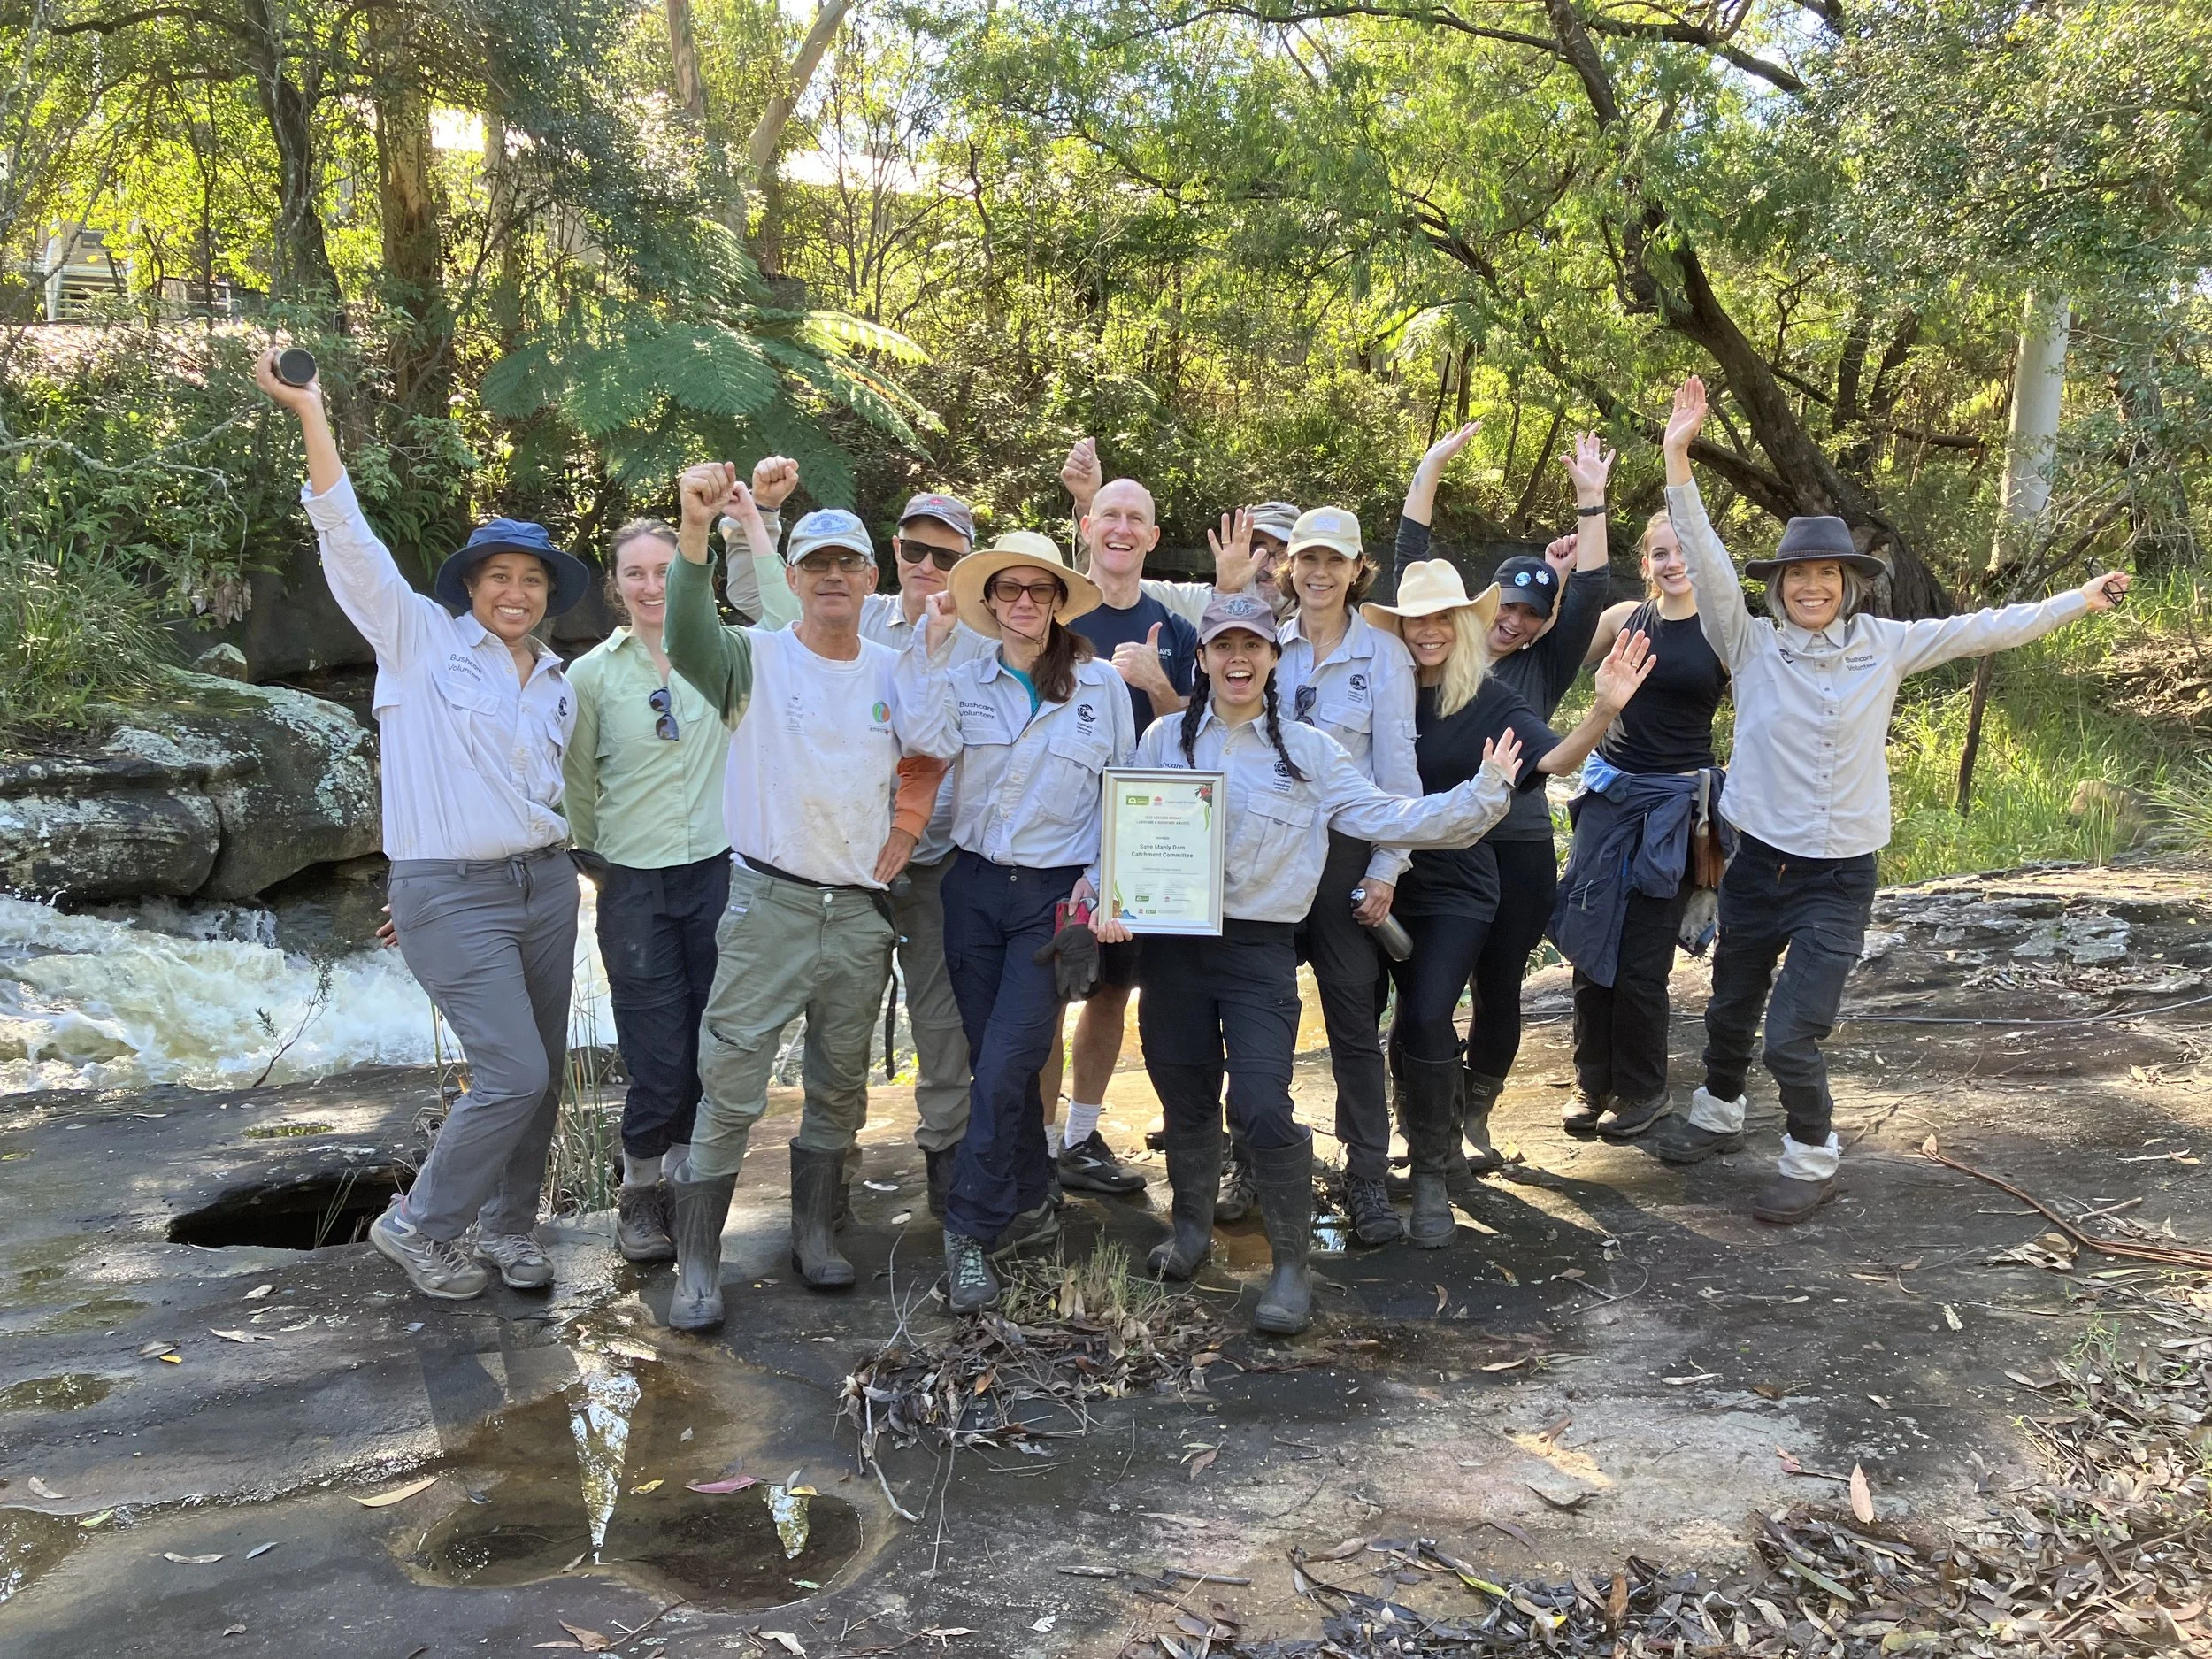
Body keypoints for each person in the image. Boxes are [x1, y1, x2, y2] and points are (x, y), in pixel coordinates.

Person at [1645, 375, 2131, 1222]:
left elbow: (1986, 628)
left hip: (1839, 877)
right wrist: (1677, 455)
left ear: (1849, 582)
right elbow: (1708, 557)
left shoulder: (1886, 644)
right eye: (1799, 575)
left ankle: (1811, 1155)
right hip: (1758, 863)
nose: (1812, 587)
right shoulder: (1748, 641)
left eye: (1827, 575)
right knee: (1729, 1004)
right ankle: (1717, 1112)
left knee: (1792, 1031)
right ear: (1779, 584)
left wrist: (2078, 601)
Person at [1095, 591, 1526, 1336]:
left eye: (1252, 646)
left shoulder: (1312, 752)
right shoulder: (1163, 740)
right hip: (1173, 952)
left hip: (1258, 951)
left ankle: (1292, 1264)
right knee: (1184, 1094)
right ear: (1202, 659)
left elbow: (1392, 815)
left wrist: (1482, 795)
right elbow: (1123, 833)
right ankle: (1191, 1231)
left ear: (1274, 658)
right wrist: (1107, 893)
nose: (1237, 659)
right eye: (1223, 646)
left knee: (1264, 1102)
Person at [257, 349, 590, 1302]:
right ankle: (418, 1224)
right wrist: (311, 412)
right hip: (452, 890)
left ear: (548, 594)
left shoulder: (556, 681)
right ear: (470, 586)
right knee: (512, 1071)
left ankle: (509, 1230)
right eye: (498, 576)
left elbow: (533, 798)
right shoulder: (417, 641)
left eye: (532, 579)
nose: (515, 592)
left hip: (544, 885)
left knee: (542, 1072)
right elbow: (349, 537)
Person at [661, 465, 944, 1324]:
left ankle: (815, 1233)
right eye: (816, 563)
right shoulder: (753, 658)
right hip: (768, 905)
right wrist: (695, 530)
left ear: (870, 577)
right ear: (791, 576)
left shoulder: (895, 669)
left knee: (838, 1085)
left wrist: (904, 835)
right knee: (731, 1081)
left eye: (847, 563)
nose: (831, 576)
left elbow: (926, 756)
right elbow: (684, 636)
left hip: (859, 913)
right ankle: (697, 1265)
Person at [1365, 562, 1654, 1241]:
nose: (1429, 631)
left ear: (1463, 624)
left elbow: (1554, 760)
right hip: (1384, 878)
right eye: (1416, 620)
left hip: (1458, 883)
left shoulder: (1488, 696)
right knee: (1397, 1017)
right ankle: (1413, 1146)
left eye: (1444, 618)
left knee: (1429, 1011)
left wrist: (1605, 709)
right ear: (1398, 628)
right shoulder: (1379, 693)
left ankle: (1435, 1169)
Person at [897, 533, 1136, 1311]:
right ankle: (1032, 1197)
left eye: (1040, 589)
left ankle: (967, 1231)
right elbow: (921, 744)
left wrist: (1100, 886)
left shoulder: (1100, 687)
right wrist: (931, 649)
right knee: (987, 1057)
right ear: (991, 601)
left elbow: (1122, 792)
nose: (1025, 602)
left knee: (1008, 1063)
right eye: (1010, 589)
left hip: (1052, 900)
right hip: (970, 889)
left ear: (1060, 601)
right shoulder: (962, 678)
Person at [1394, 425, 1617, 1167]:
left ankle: (1473, 1112)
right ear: (1482, 606)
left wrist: (1592, 503)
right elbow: (1411, 561)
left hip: (1514, 843)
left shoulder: (1542, 667)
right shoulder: (1428, 649)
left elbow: (1592, 590)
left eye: (1530, 614)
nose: (1514, 622)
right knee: (1423, 985)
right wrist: (1429, 468)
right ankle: (1418, 1114)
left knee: (1498, 984)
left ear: (1545, 623)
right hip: (1434, 839)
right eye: (1507, 607)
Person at [564, 521, 732, 1264]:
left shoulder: (724, 655)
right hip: (632, 882)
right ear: (615, 584)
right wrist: (600, 864)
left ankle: (686, 1191)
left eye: (665, 569)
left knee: (709, 1045)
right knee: (656, 1053)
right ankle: (637, 1192)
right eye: (635, 572)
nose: (651, 585)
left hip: (719, 871)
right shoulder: (590, 676)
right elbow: (575, 785)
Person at [1549, 488, 1733, 1143]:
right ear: (1645, 562)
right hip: (1609, 798)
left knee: (1641, 957)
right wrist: (1561, 575)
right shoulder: (1626, 618)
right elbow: (1556, 643)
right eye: (1660, 552)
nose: (1673, 562)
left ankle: (1642, 1088)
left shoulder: (1723, 629)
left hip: (1677, 811)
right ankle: (1591, 1081)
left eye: (1683, 551)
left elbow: (1766, 707)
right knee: (1588, 940)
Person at [1039, 472, 1201, 1198]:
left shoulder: (1175, 627)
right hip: (1058, 837)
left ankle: (1079, 1137)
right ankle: (1039, 1143)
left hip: (1142, 841)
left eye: (1137, 518)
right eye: (1111, 515)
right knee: (1047, 994)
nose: (1123, 529)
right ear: (1088, 525)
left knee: (1110, 993)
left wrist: (1157, 683)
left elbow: (1200, 735)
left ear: (1153, 537)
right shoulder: (1053, 616)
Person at [1267, 504, 1420, 1245]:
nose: (1320, 573)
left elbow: (1399, 774)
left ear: (1358, 568)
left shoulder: (1384, 656)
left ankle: (1367, 1177)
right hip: (1267, 857)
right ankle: (1255, 1159)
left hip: (1346, 858)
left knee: (1353, 1021)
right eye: (1308, 559)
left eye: (1335, 560)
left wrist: (1388, 867)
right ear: (1290, 566)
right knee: (1260, 1014)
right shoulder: (1265, 643)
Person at [854, 492, 995, 1220]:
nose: (928, 566)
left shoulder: (985, 643)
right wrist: (763, 521)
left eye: (947, 555)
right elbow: (762, 602)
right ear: (896, 551)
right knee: (839, 1014)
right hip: (847, 860)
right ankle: (828, 1167)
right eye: (916, 550)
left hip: (938, 859)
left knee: (940, 1018)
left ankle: (946, 1158)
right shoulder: (856, 617)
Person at [1060, 435, 1296, 621]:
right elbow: (1102, 588)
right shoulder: (1187, 606)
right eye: (1257, 551)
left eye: (1282, 552)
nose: (1270, 567)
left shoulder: (1313, 622)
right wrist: (1087, 501)